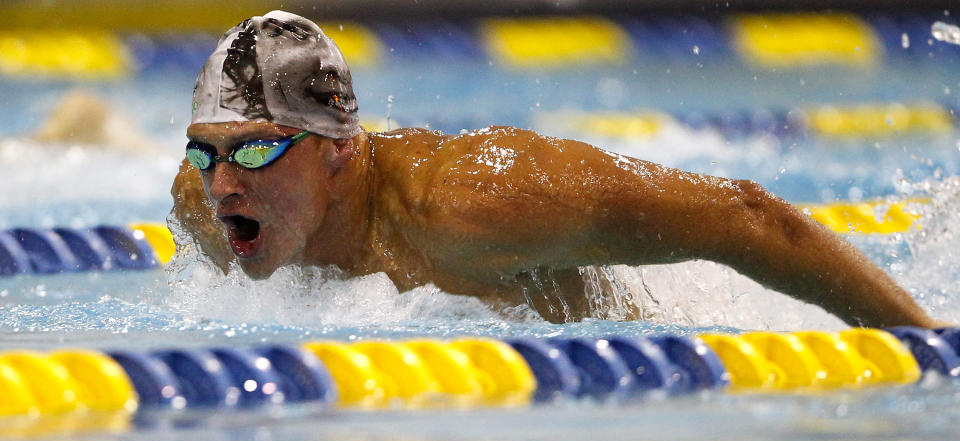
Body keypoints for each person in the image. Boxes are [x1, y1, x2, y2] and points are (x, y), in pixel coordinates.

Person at [172, 10, 938, 328]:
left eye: (255, 148)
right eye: (206, 151)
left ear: (338, 146)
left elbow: (745, 215)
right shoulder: (209, 206)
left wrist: (927, 343)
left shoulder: (477, 202)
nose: (223, 181)